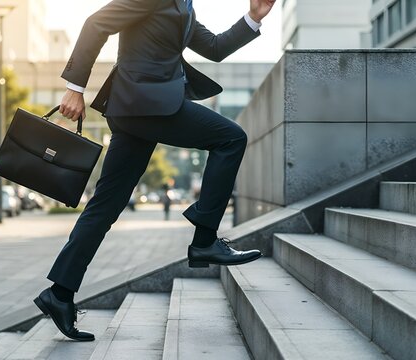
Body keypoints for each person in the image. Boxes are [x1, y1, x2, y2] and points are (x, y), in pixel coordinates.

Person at [34, 0, 276, 342]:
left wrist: (253, 17)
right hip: (146, 104)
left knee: (105, 206)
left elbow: (215, 48)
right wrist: (75, 88)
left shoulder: (184, 5)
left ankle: (59, 295)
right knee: (231, 138)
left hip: (139, 109)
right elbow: (95, 23)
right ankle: (204, 240)